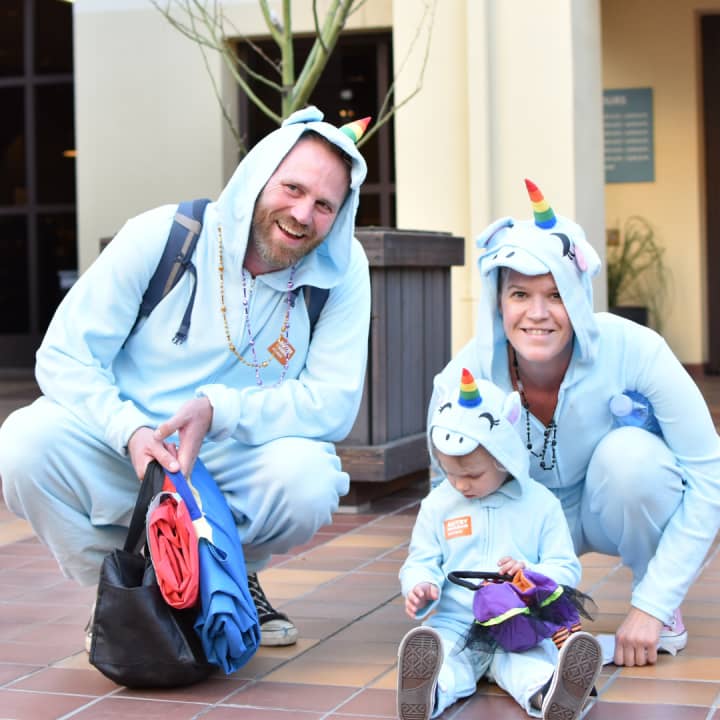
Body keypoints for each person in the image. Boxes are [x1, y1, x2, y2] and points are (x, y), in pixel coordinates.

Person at [0, 105, 371, 650]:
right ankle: (122, 589)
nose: (301, 214)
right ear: (257, 177)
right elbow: (64, 355)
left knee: (308, 480)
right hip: (131, 448)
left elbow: (332, 402)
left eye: (323, 205)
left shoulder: (342, 270)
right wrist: (128, 429)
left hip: (234, 455)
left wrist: (221, 410)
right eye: (292, 188)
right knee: (24, 444)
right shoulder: (165, 235)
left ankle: (235, 577)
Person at [430, 178, 720, 667]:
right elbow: (449, 494)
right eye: (519, 294)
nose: (537, 314)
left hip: (606, 506)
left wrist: (654, 602)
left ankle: (658, 609)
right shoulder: (463, 378)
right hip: (523, 522)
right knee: (503, 635)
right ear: (498, 301)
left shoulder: (636, 348)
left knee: (633, 459)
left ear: (580, 297)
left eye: (556, 294)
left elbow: (709, 473)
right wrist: (456, 594)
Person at [397, 368, 602, 720]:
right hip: (456, 621)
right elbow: (420, 560)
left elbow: (566, 567)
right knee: (445, 656)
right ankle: (428, 692)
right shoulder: (438, 505)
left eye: (472, 475)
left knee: (528, 664)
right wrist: (421, 584)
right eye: (449, 473)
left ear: (505, 457)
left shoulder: (541, 505)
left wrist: (531, 574)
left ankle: (550, 694)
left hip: (520, 622)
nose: (460, 485)